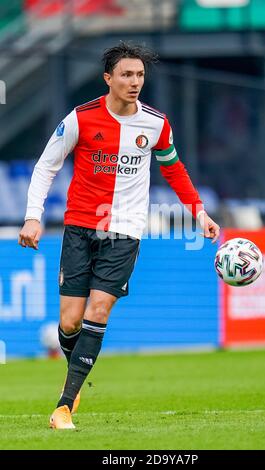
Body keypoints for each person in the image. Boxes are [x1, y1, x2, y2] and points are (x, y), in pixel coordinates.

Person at [18, 42, 220, 429]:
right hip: (79, 227)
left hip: (125, 231)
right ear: (108, 78)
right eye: (127, 74)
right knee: (70, 321)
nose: (135, 82)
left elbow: (174, 170)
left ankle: (63, 405)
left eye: (140, 75)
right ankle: (75, 378)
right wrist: (32, 217)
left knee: (98, 311)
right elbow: (46, 166)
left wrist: (199, 212)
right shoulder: (80, 119)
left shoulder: (156, 124)